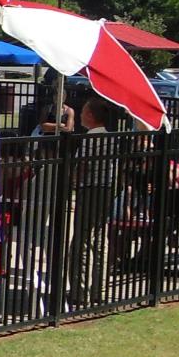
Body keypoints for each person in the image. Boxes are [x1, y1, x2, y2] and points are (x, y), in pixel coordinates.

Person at [67, 98, 117, 308]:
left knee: (82, 241)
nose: (80, 116)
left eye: (83, 112)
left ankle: (81, 292)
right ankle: (100, 290)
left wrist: (73, 180)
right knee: (99, 240)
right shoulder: (112, 138)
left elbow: (84, 166)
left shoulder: (91, 138)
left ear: (90, 116)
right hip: (106, 191)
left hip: (90, 191)